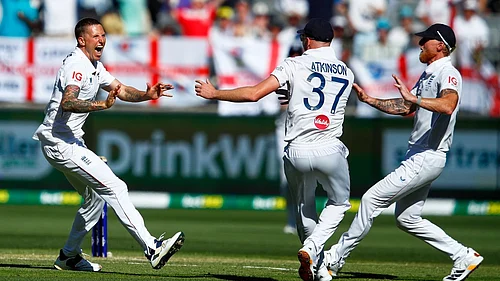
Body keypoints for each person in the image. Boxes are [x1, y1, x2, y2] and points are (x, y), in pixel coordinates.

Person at [195, 18, 354, 281]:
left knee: (304, 208)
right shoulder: (346, 73)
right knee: (339, 203)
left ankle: (318, 267)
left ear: (307, 40)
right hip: (329, 147)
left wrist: (215, 94)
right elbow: (322, 101)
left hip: (297, 149)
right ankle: (314, 252)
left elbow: (254, 94)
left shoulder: (293, 64)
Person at [323, 23, 484, 281]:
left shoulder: (448, 72)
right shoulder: (429, 72)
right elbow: (405, 107)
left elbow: (448, 105)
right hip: (420, 155)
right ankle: (463, 256)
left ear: (441, 46)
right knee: (407, 218)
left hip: (427, 154)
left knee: (370, 200)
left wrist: (415, 99)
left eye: (427, 40)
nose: (420, 44)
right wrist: (371, 100)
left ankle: (333, 258)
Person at [32, 18, 184, 272]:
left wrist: (146, 95)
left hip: (68, 141)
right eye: (96, 36)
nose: (102, 39)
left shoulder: (95, 65)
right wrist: (100, 105)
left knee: (94, 198)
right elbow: (68, 102)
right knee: (115, 186)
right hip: (60, 143)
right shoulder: (76, 65)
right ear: (82, 40)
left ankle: (69, 255)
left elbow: (121, 90)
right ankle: (152, 248)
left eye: (103, 35)